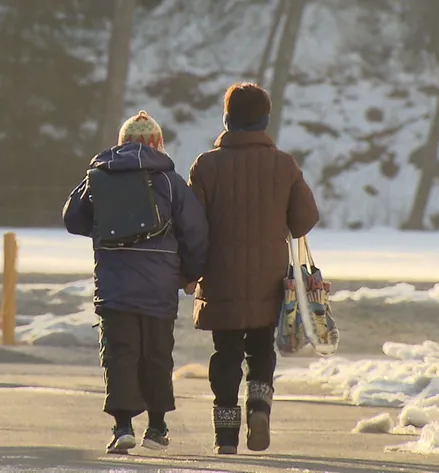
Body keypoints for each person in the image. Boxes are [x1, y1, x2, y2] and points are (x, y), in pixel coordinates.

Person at [63, 111, 208, 454]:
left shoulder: (100, 175)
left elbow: (72, 219)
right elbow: (196, 232)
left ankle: (123, 426)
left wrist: (103, 228)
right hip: (159, 286)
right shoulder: (170, 182)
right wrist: (191, 273)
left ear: (122, 143)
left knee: (119, 355)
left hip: (115, 287)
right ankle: (156, 428)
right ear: (157, 144)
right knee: (156, 355)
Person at [186, 83, 320, 454]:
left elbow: (191, 227)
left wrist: (186, 274)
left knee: (225, 356)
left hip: (220, 279)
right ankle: (259, 407)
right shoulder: (283, 164)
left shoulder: (206, 165)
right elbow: (304, 220)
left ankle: (226, 436)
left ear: (227, 119)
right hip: (268, 280)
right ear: (264, 120)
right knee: (261, 351)